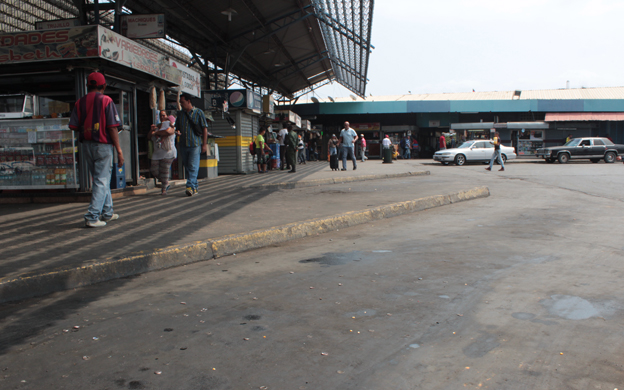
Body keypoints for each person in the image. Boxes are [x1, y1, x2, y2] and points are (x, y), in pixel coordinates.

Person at [69, 72, 123, 228]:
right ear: (104, 86)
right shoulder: (106, 100)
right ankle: (92, 216)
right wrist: (119, 150)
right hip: (103, 145)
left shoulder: (80, 102)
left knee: (100, 179)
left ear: (88, 86)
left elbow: (73, 126)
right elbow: (113, 127)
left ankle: (107, 212)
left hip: (86, 145)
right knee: (101, 180)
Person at [176, 93, 208, 196]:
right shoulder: (180, 114)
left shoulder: (199, 112)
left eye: (183, 102)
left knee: (193, 166)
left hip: (195, 144)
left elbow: (204, 129)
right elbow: (177, 127)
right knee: (188, 166)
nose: (181, 105)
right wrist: (177, 132)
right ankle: (195, 187)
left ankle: (189, 186)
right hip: (183, 144)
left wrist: (204, 144)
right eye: (180, 103)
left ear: (189, 101)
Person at [148, 111, 176, 195]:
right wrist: (152, 131)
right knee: (154, 170)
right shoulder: (157, 127)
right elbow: (149, 137)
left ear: (167, 116)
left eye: (164, 115)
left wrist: (156, 132)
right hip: (157, 153)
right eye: (160, 115)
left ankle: (164, 189)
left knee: (164, 171)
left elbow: (167, 132)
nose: (162, 117)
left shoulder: (171, 126)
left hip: (168, 152)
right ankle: (165, 182)